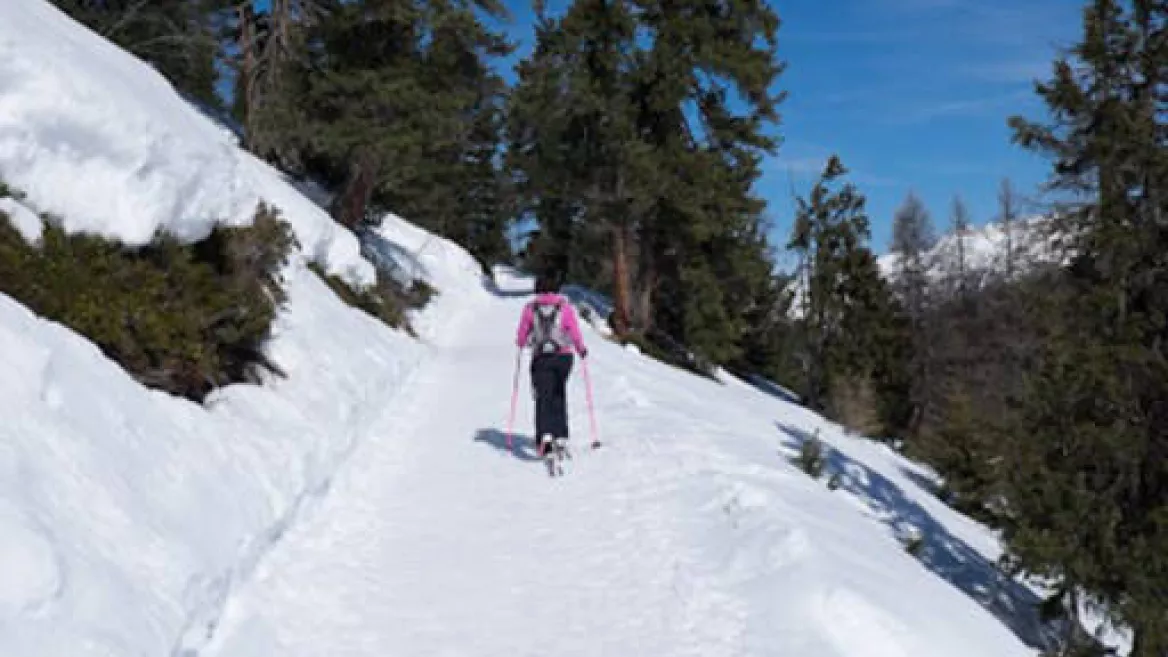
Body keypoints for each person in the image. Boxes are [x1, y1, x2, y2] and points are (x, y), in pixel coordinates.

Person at [515, 273, 588, 457]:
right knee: (559, 393)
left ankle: (544, 437)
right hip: (563, 357)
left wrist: (522, 342)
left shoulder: (530, 308)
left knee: (543, 397)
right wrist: (581, 349)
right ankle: (561, 435)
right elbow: (574, 331)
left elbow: (522, 335)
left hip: (541, 358)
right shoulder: (565, 307)